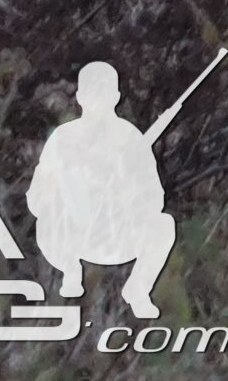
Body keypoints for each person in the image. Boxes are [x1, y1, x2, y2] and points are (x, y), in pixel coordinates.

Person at [30, 60, 181, 320]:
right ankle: (70, 271)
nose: (97, 99)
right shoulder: (63, 139)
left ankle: (138, 290)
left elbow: (154, 197)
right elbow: (37, 197)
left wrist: (126, 189)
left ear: (116, 97)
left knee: (163, 225)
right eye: (91, 92)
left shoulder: (130, 138)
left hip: (116, 233)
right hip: (73, 234)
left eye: (104, 92)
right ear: (80, 97)